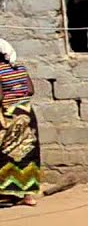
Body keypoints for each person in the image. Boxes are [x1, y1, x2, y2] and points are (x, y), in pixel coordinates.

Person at [0, 38, 40, 206]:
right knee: (27, 153)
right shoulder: (20, 68)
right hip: (27, 112)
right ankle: (28, 196)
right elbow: (30, 90)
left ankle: (7, 194)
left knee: (6, 152)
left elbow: (0, 96)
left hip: (10, 115)